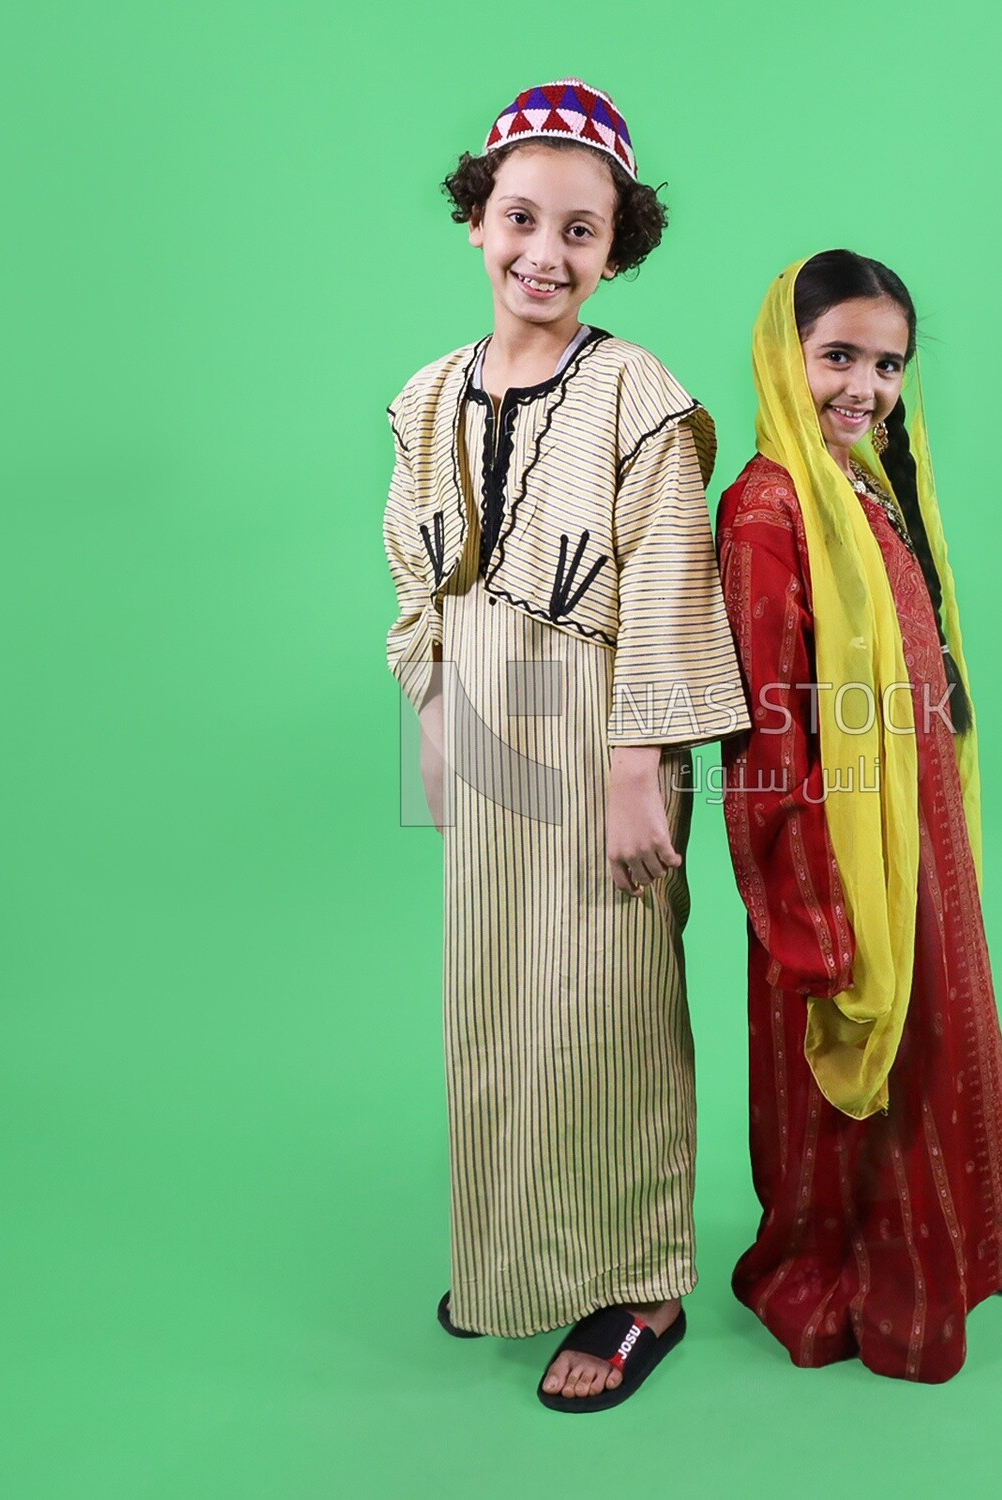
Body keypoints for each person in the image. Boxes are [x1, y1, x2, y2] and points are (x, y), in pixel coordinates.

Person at [381, 79, 748, 1412]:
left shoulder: (641, 395)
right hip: (489, 720)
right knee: (498, 999)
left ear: (617, 246)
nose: (545, 253)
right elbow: (417, 573)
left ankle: (643, 1283)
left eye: (579, 232)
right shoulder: (430, 396)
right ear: (477, 220)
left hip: (603, 729)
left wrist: (638, 766)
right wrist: (433, 712)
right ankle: (520, 1255)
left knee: (611, 1001)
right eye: (521, 218)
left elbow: (666, 581)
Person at [715, 250, 1002, 1385]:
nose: (861, 387)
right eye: (836, 357)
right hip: (837, 848)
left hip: (918, 828)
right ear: (785, 354)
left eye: (886, 364)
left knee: (949, 1034)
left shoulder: (867, 486)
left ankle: (980, 1233)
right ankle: (859, 1273)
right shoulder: (765, 510)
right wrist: (813, 899)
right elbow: (766, 729)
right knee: (865, 1056)